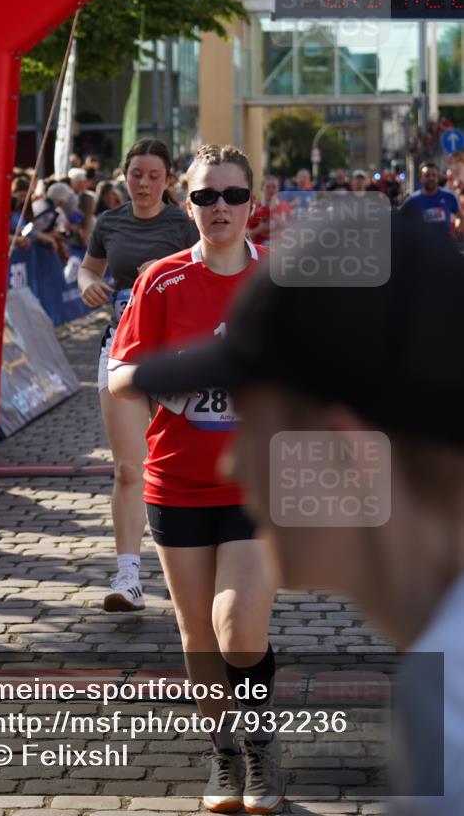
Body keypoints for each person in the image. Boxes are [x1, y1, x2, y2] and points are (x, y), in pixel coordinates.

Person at [132, 210, 464, 815]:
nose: (233, 467)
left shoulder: (449, 712)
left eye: (254, 430)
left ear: (344, 453)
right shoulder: (440, 678)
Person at [108, 145, 283, 815]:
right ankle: (223, 751)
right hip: (175, 482)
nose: (219, 208)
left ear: (252, 204)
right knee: (198, 640)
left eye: (232, 196)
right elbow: (121, 374)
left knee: (237, 627)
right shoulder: (161, 280)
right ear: (188, 206)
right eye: (205, 197)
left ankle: (263, 744)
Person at [77, 139, 198, 613]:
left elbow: (205, 271)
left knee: (176, 465)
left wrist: (166, 272)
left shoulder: (184, 224)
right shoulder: (110, 222)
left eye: (153, 176)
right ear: (124, 176)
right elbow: (88, 269)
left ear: (169, 179)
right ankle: (127, 576)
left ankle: (187, 568)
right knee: (129, 468)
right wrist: (89, 286)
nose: (144, 184)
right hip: (121, 348)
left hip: (177, 355)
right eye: (136, 175)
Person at [401, 161, 462, 238]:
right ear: (420, 178)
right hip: (421, 247)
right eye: (427, 175)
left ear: (438, 178)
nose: (431, 178)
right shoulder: (412, 200)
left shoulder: (449, 196)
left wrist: (456, 233)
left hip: (444, 246)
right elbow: (400, 222)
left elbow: (460, 217)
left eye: (434, 175)